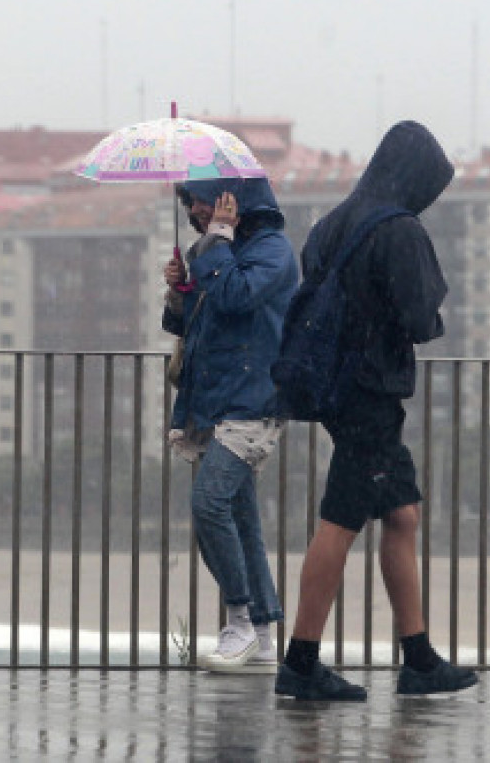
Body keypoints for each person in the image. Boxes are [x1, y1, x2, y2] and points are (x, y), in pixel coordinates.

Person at [275, 120, 478, 701]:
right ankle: (301, 662)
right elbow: (418, 318)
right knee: (340, 520)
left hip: (337, 388)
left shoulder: (334, 223)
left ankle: (417, 657)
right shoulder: (399, 230)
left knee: (402, 513)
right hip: (372, 390)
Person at [163, 176, 299, 672]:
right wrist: (180, 292)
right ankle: (262, 632)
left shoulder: (271, 250)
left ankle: (238, 621)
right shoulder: (216, 248)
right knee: (240, 516)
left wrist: (215, 245)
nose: (197, 211)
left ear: (235, 201)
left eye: (204, 201)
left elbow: (239, 297)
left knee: (209, 504)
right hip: (218, 400)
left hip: (254, 400)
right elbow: (200, 322)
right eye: (192, 203)